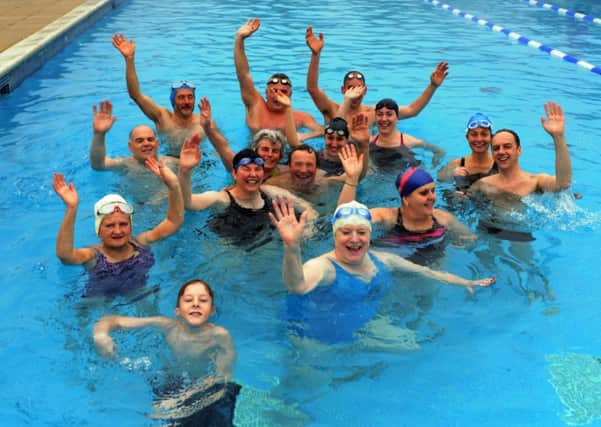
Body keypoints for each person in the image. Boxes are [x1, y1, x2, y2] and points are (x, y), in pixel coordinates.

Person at [269, 198, 494, 343]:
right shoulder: (324, 267)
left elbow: (428, 273)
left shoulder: (382, 259)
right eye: (345, 232)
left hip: (357, 325)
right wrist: (292, 247)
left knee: (414, 346)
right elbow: (297, 286)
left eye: (361, 232)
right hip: (313, 336)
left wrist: (466, 283)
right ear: (335, 236)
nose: (354, 239)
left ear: (369, 235)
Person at [93, 279, 240, 426]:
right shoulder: (168, 325)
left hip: (207, 390)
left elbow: (222, 379)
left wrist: (178, 400)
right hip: (173, 384)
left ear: (212, 310)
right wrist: (100, 335)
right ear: (177, 311)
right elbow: (113, 320)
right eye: (188, 300)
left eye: (203, 300)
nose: (196, 304)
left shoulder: (219, 336)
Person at [53, 158, 184, 297]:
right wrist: (71, 208)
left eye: (123, 224)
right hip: (98, 299)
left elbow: (173, 222)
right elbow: (65, 256)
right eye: (110, 226)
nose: (118, 231)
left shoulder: (140, 243)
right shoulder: (93, 256)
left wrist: (174, 186)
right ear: (98, 231)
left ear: (131, 227)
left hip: (139, 294)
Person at [178, 140, 317, 244]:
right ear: (234, 173)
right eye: (246, 168)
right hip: (229, 250)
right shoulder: (223, 199)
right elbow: (189, 203)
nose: (253, 174)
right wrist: (185, 172)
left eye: (257, 169)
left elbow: (308, 209)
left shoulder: (270, 192)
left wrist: (307, 231)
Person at [305, 26, 448, 127]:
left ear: (365, 90)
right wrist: (316, 55)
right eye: (351, 88)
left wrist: (433, 86)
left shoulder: (375, 113)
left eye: (358, 88)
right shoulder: (331, 109)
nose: (355, 93)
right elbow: (312, 88)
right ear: (343, 90)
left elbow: (412, 110)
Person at [338, 145, 475, 248]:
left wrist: (460, 244)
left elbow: (471, 238)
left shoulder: (443, 219)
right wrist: (352, 179)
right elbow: (345, 220)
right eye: (424, 193)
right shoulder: (387, 217)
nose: (432, 197)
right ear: (406, 198)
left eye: (432, 191)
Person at [112, 33, 204, 156]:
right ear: (173, 101)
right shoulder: (162, 117)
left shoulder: (204, 122)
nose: (186, 101)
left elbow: (219, 144)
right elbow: (136, 95)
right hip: (168, 161)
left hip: (199, 162)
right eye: (181, 98)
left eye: (190, 97)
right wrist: (129, 60)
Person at [234, 19, 323, 140]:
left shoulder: (301, 118)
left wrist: (305, 135)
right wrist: (239, 39)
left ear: (290, 94)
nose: (278, 95)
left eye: (284, 91)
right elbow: (243, 74)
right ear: (266, 92)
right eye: (274, 91)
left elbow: (323, 131)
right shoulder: (255, 105)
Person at [470, 102, 572, 198]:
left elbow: (563, 184)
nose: (501, 152)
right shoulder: (483, 185)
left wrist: (558, 136)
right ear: (492, 154)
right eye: (496, 148)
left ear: (519, 150)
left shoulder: (536, 182)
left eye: (507, 146)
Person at [198, 98, 288, 179]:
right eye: (265, 149)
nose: (269, 154)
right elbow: (222, 147)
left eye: (275, 151)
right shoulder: (240, 168)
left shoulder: (286, 173)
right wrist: (207, 128)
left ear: (281, 156)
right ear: (255, 151)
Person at [89, 100, 177, 172]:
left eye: (150, 139)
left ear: (157, 144)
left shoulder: (170, 163)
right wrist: (99, 134)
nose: (146, 143)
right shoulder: (125, 165)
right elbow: (98, 165)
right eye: (139, 141)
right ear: (130, 147)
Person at [370, 98, 445, 170]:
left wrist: (433, 167)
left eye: (389, 114)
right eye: (380, 114)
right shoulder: (368, 141)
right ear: (375, 118)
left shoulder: (410, 141)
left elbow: (439, 151)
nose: (384, 119)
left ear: (397, 118)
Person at [437, 112, 497, 192]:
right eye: (474, 135)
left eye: (484, 134)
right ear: (467, 137)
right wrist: (451, 174)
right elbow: (438, 183)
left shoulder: (500, 165)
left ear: (491, 137)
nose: (479, 139)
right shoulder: (456, 164)